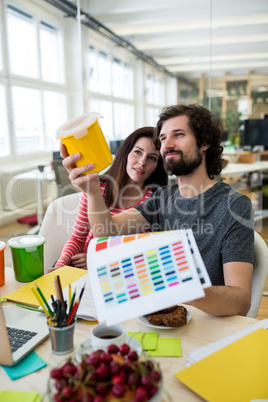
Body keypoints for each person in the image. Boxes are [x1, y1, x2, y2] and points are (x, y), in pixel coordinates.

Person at [62, 104, 254, 317]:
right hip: (157, 319)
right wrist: (92, 191)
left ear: (204, 142)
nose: (167, 145)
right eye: (163, 139)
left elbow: (241, 300)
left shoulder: (234, 205)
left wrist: (181, 287)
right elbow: (106, 232)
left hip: (206, 324)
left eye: (178, 135)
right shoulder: (162, 197)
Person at [52, 127, 167, 270]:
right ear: (126, 154)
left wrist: (96, 261)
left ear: (156, 166)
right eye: (137, 152)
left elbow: (142, 253)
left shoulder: (154, 200)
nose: (142, 162)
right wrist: (60, 267)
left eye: (152, 158)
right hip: (82, 265)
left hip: (120, 271)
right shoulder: (97, 185)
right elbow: (78, 237)